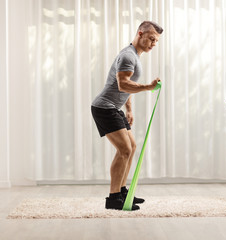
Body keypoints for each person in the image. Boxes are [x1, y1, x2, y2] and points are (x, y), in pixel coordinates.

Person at [91, 21, 163, 211]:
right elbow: (123, 85)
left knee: (131, 147)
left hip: (114, 107)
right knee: (124, 150)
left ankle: (123, 192)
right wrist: (148, 87)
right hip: (104, 107)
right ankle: (113, 198)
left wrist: (129, 108)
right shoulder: (127, 56)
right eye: (151, 39)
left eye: (156, 41)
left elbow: (125, 87)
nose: (153, 44)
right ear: (140, 34)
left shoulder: (135, 56)